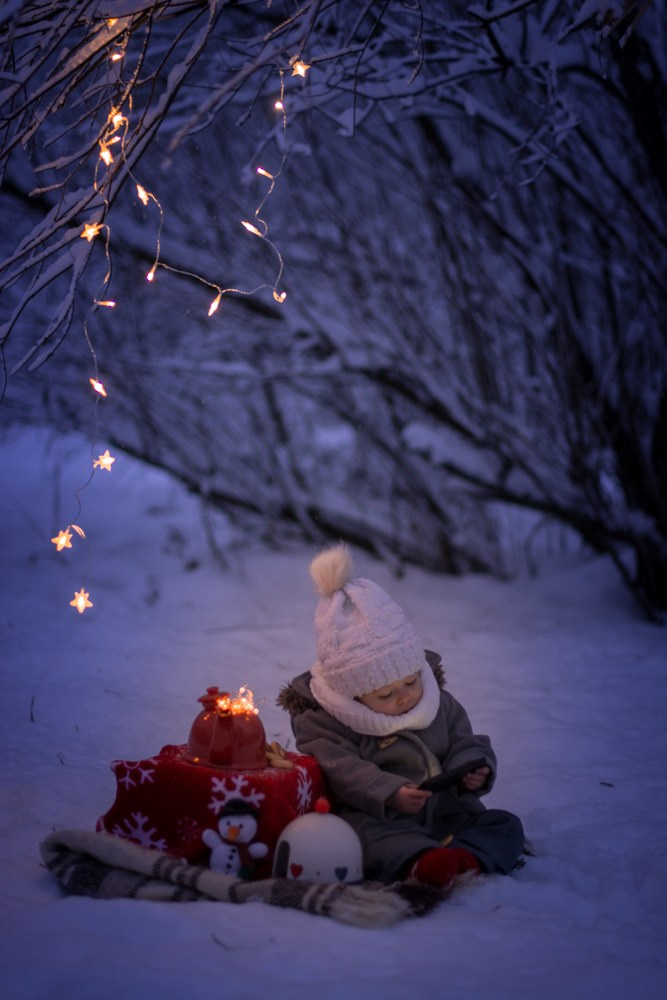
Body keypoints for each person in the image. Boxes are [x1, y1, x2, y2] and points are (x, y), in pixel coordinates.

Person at [277, 543, 525, 888]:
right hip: (381, 818)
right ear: (351, 693)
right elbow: (343, 770)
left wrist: (474, 768)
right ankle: (422, 864)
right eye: (385, 694)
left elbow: (465, 740)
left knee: (505, 824)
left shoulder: (437, 702)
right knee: (367, 841)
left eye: (410, 681)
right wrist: (389, 791)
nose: (405, 696)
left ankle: (465, 859)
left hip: (447, 813)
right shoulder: (326, 720)